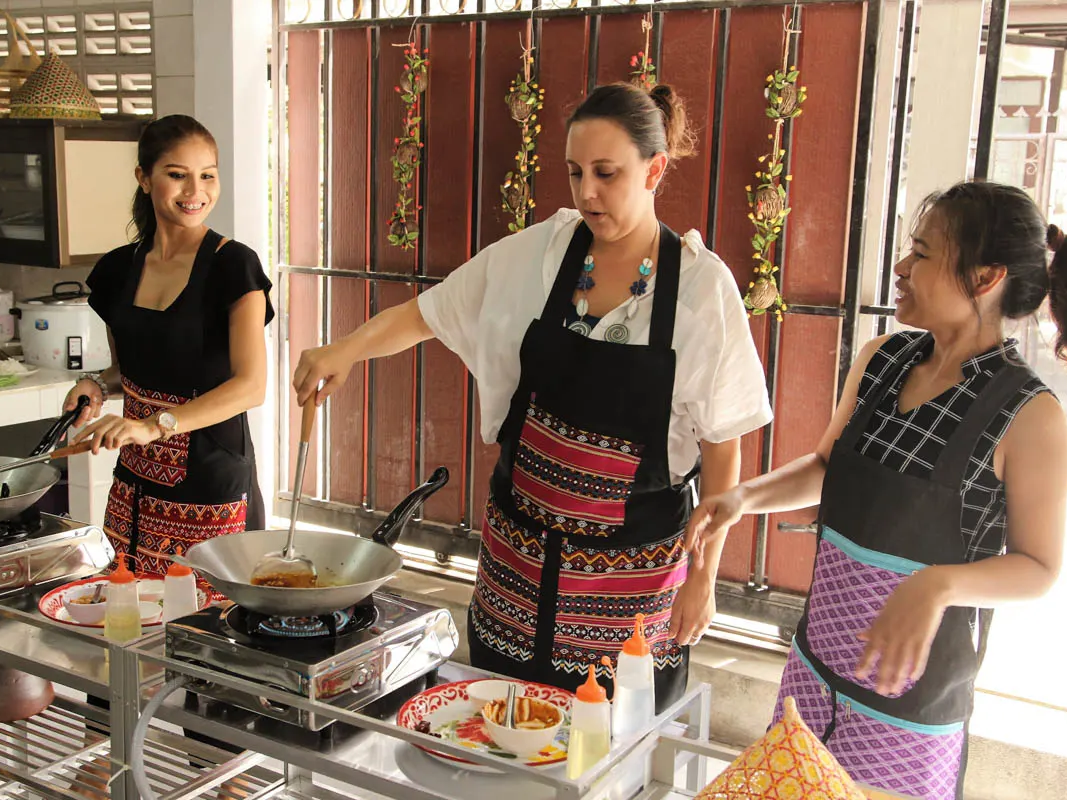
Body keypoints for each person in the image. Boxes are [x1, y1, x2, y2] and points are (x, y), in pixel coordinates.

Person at [293, 82, 771, 709]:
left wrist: (704, 577)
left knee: (604, 756)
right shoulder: (543, 257)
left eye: (607, 173)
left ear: (655, 169)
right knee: (497, 738)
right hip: (514, 578)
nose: (587, 192)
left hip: (630, 590)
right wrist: (345, 349)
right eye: (576, 173)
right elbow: (429, 312)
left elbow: (723, 452)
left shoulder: (701, 290)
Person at [685, 182, 1067, 799]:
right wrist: (742, 498)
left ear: (985, 278)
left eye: (921, 255)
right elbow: (826, 466)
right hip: (811, 683)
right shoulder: (882, 359)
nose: (900, 269)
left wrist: (938, 583)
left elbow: (1040, 568)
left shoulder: (1030, 417)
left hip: (909, 719)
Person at [63, 114, 274, 588]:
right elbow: (134, 368)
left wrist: (150, 426)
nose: (194, 190)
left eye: (207, 175)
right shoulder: (117, 270)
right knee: (125, 614)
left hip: (210, 485)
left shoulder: (234, 266)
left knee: (206, 630)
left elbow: (250, 386)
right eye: (177, 174)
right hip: (134, 483)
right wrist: (96, 385)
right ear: (144, 177)